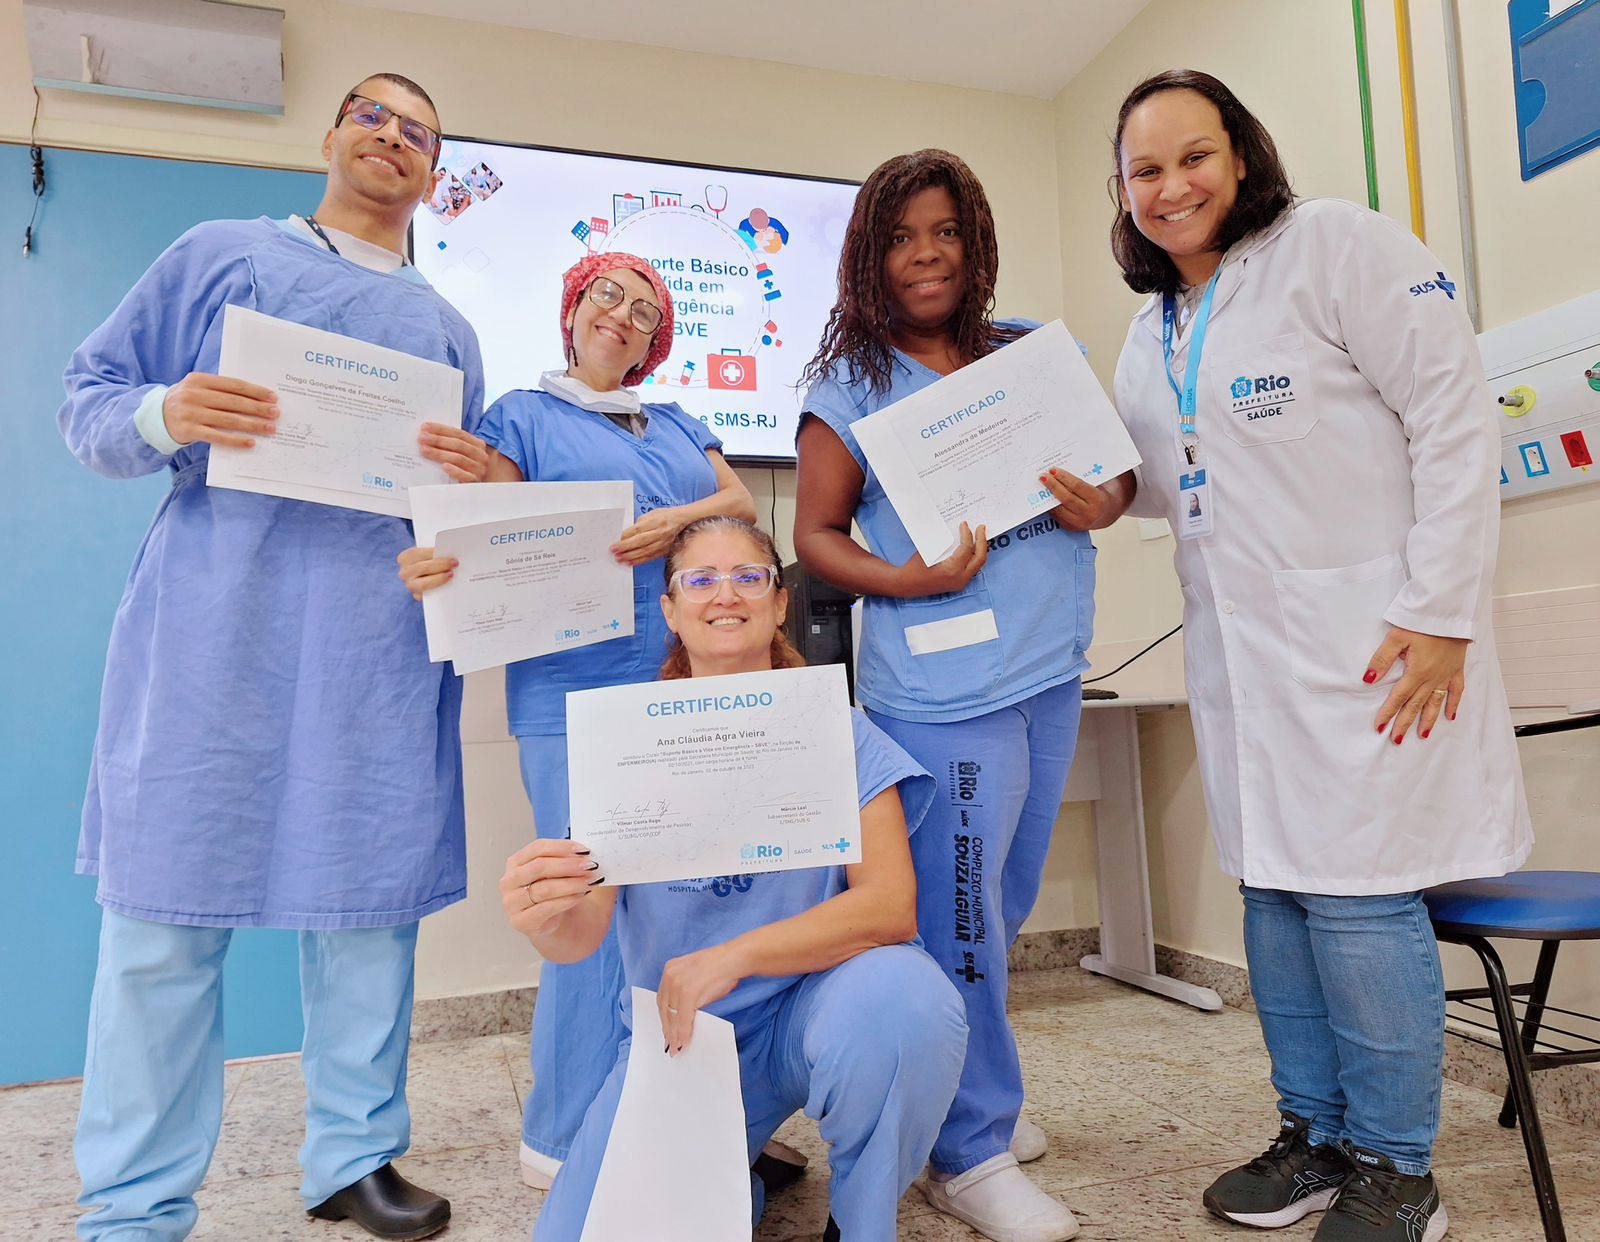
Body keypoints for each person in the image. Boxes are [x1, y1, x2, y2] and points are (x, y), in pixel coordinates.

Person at [59, 74, 490, 1241]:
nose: (393, 137)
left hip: (375, 651)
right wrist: (167, 415)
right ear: (333, 135)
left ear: (435, 173)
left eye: (419, 130)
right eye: (374, 116)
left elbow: (460, 519)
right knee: (163, 925)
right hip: (216, 634)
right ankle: (135, 1203)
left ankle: (354, 1157)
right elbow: (89, 398)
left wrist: (469, 522)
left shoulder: (448, 331)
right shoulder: (219, 255)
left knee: (366, 918)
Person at [1105, 69, 1532, 1242]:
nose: (1170, 185)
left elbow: (1453, 414)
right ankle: (1315, 1138)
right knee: (1276, 897)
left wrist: (1441, 612)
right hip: (1241, 663)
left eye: (1192, 156)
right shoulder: (1152, 330)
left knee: (1353, 899)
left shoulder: (1334, 246)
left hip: (1374, 645)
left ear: (1239, 155)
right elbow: (1150, 481)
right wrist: (1081, 492)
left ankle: (1399, 1168)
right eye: (1144, 170)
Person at [793, 149, 1130, 1242]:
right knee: (960, 918)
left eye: (942, 231)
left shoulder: (1029, 352)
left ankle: (955, 1095)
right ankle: (967, 1152)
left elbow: (1114, 474)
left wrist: (1102, 504)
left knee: (1001, 900)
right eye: (898, 237)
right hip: (939, 693)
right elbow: (814, 538)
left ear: (974, 238)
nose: (924, 254)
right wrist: (908, 579)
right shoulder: (848, 385)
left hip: (1046, 671)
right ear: (868, 255)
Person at [501, 515, 968, 1242]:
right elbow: (580, 935)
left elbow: (889, 908)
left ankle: (859, 1219)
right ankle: (733, 1172)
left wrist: (732, 957)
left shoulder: (837, 729)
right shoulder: (625, 744)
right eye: (701, 579)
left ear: (780, 603)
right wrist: (543, 913)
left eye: (749, 576)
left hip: (818, 1009)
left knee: (907, 1002)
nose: (727, 594)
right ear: (670, 608)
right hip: (683, 1037)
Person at [398, 252, 757, 1190]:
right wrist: (437, 565)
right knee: (581, 906)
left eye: (645, 311)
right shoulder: (522, 414)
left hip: (684, 684)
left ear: (655, 341)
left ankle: (680, 1110)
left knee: (681, 907)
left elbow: (739, 503)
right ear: (572, 310)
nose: (624, 316)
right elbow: (483, 532)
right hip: (572, 693)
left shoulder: (678, 421)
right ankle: (563, 1136)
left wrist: (675, 515)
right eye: (609, 296)